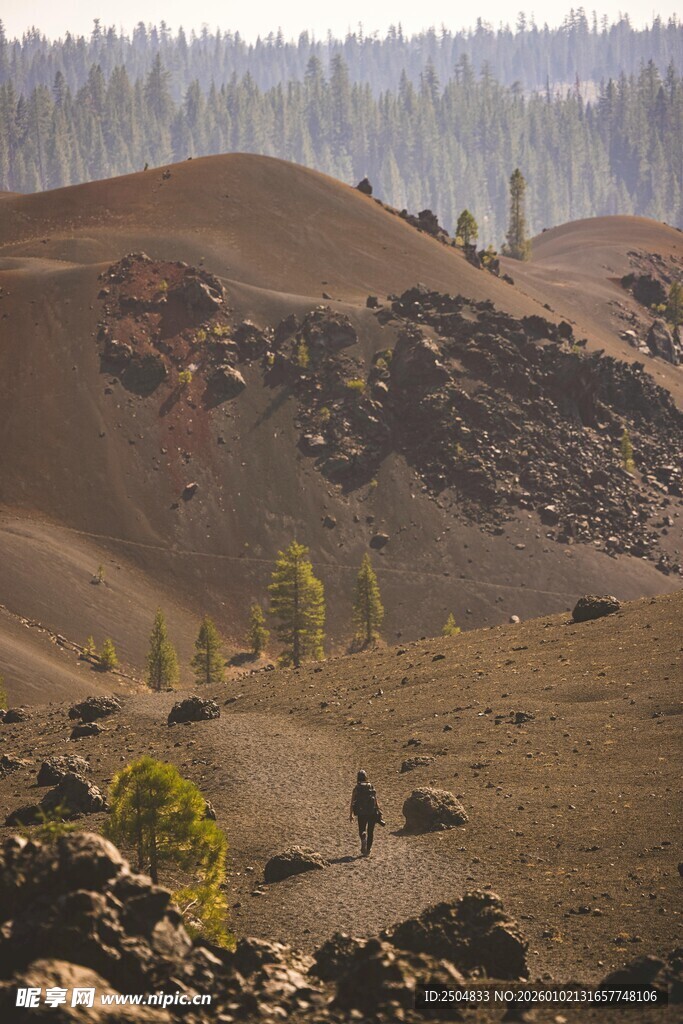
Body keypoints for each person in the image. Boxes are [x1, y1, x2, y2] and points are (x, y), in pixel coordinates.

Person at [349, 769, 385, 856]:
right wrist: (379, 810)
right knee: (371, 831)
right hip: (372, 811)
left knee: (362, 829)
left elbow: (352, 802)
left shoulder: (356, 788)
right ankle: (368, 851)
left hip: (361, 813)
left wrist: (351, 815)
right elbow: (376, 800)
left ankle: (363, 836)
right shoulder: (371, 786)